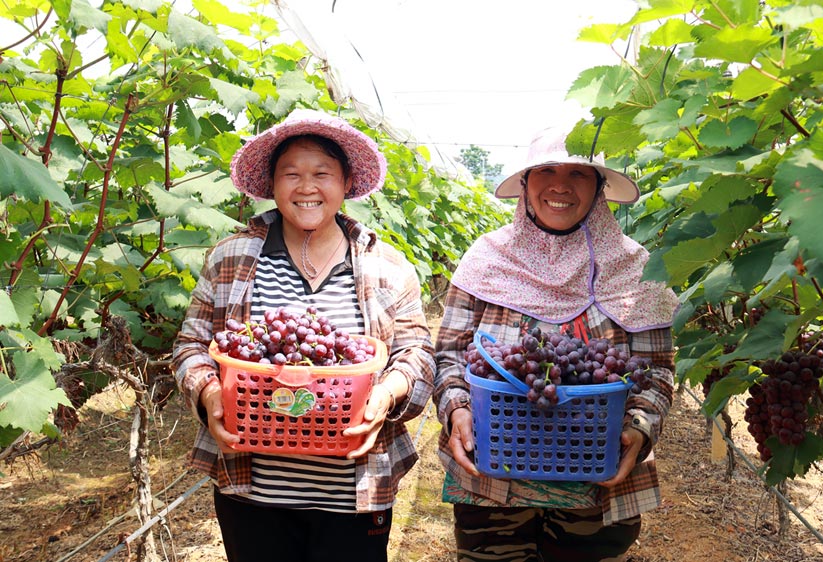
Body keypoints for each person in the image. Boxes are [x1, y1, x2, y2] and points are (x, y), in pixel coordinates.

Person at [172, 109, 435, 562]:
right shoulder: (231, 257)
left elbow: (418, 355)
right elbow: (190, 345)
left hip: (353, 495)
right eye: (291, 174)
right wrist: (210, 393)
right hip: (253, 494)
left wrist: (387, 394)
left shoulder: (387, 267)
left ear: (346, 182)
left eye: (322, 173)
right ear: (273, 184)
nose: (306, 187)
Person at [433, 126, 679, 562]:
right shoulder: (487, 259)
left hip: (595, 486)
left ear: (599, 187)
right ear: (526, 183)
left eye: (578, 174)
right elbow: (450, 354)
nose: (560, 185)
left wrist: (639, 429)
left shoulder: (636, 268)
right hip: (492, 484)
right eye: (546, 170)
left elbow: (656, 370)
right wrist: (456, 408)